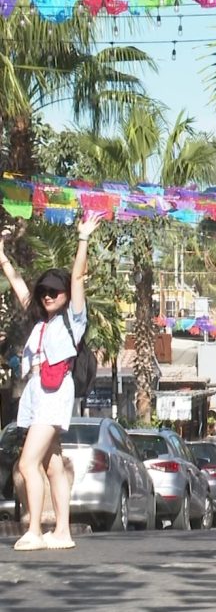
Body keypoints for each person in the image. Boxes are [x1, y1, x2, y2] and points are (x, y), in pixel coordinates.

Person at [0, 211, 101, 551]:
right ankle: (62, 531)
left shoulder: (73, 319)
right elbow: (18, 287)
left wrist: (83, 237)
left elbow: (76, 278)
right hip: (36, 392)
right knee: (51, 463)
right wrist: (2, 257)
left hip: (55, 393)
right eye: (45, 291)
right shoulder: (40, 323)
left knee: (27, 462)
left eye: (54, 292)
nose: (48, 296)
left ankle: (36, 532)